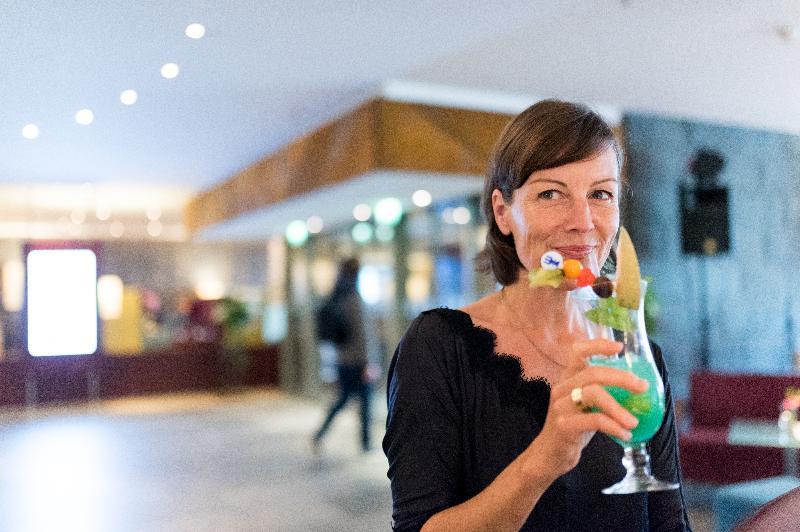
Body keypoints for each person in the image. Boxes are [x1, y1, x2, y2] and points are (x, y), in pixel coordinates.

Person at [382, 100, 691, 531]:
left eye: (600, 194)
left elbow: (669, 524)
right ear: (503, 211)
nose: (582, 222)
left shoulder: (636, 356)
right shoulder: (439, 346)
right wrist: (545, 458)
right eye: (551, 193)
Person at [313, 257, 375, 453]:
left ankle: (320, 433)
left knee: (342, 400)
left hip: (342, 359)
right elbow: (362, 334)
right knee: (365, 403)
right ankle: (365, 443)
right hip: (357, 361)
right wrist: (368, 361)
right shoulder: (353, 299)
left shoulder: (337, 296)